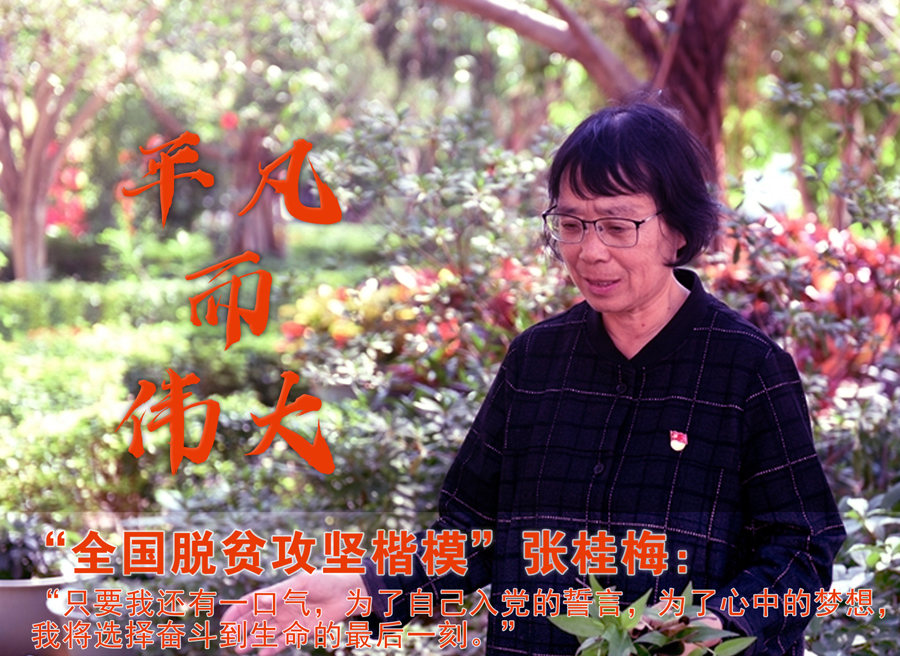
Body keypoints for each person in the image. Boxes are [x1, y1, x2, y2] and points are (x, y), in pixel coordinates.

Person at [222, 101, 846, 656]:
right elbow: (470, 535)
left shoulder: (748, 368)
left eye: (617, 225)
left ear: (677, 229)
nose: (590, 251)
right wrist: (360, 587)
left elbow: (802, 544)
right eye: (571, 224)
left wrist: (715, 625)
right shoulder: (536, 361)